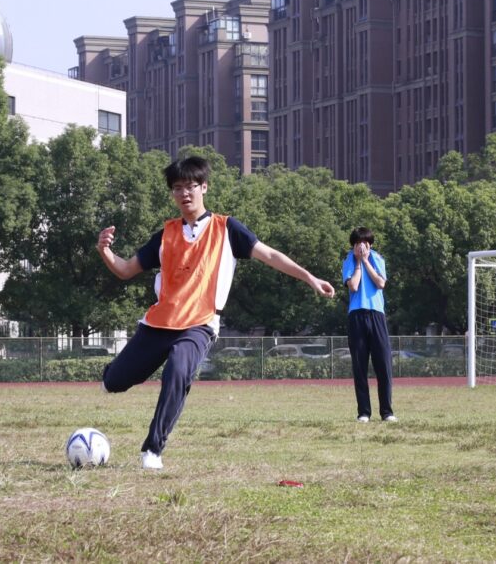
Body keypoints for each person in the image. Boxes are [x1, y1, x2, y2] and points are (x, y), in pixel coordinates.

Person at [96, 156, 336, 469]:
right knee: (114, 382)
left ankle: (152, 450)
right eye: (178, 188)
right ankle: (113, 374)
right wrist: (104, 251)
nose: (185, 193)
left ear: (204, 187)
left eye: (191, 186)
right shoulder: (165, 234)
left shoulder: (227, 229)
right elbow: (126, 269)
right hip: (159, 322)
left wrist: (309, 277)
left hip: (199, 324)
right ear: (172, 194)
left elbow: (271, 254)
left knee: (178, 370)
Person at [342, 226, 396, 423]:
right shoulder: (349, 260)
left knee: (383, 364)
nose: (360, 247)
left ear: (370, 244)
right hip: (356, 316)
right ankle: (364, 412)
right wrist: (357, 263)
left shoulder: (377, 258)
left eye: (363, 243)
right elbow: (354, 286)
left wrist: (365, 261)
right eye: (356, 243)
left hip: (377, 315)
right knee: (360, 366)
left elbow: (381, 283)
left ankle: (387, 412)